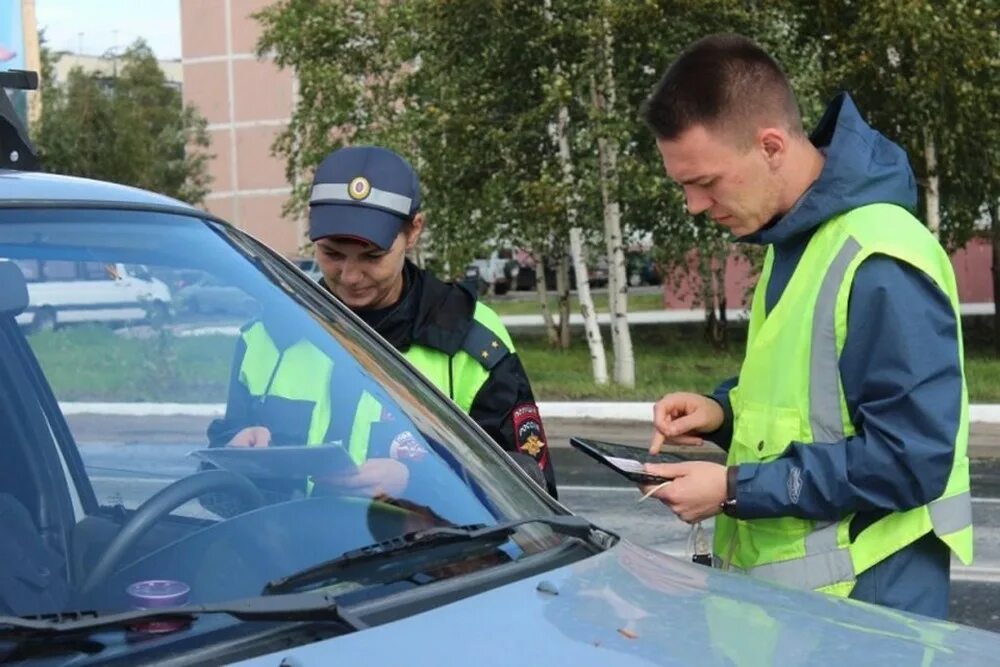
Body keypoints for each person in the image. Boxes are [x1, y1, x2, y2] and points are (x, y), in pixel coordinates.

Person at [637, 34, 972, 618]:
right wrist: (723, 414)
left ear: (770, 145)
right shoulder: (795, 240)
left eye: (706, 181)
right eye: (683, 186)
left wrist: (734, 488)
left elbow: (908, 459)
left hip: (867, 616)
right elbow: (816, 405)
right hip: (797, 619)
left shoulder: (878, 260)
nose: (693, 205)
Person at [306, 145, 557, 498]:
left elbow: (530, 490)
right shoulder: (275, 329)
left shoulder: (471, 339)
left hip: (428, 552)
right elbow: (224, 487)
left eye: (372, 257)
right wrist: (238, 454)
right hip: (295, 548)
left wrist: (417, 481)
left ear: (414, 230)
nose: (349, 276)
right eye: (331, 254)